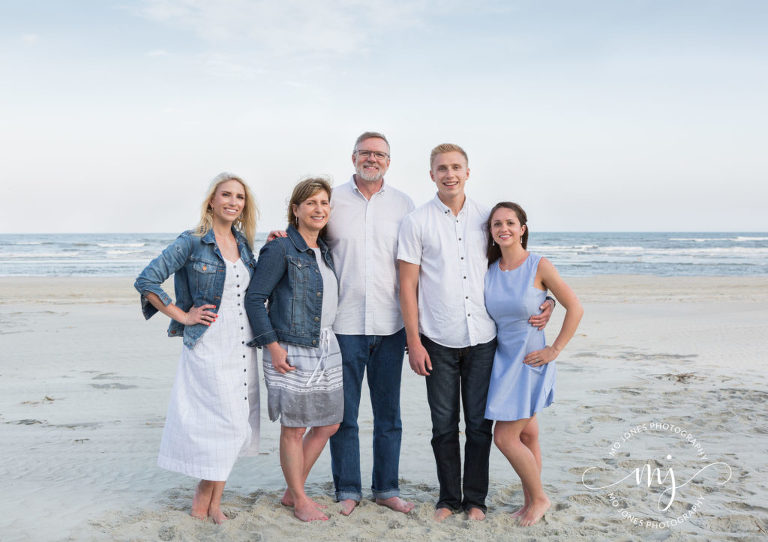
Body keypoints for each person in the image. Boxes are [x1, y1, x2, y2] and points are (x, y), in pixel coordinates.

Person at [398, 144, 554, 521]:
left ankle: (476, 502)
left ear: (468, 172)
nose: (449, 173)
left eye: (456, 167)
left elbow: (516, 263)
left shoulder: (489, 219)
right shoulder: (416, 222)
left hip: (485, 341)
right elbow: (406, 286)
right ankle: (448, 499)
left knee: (480, 426)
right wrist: (413, 341)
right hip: (437, 339)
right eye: (441, 168)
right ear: (431, 174)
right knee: (443, 426)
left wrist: (544, 300)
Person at [134, 172, 260, 524]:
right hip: (209, 348)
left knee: (235, 427)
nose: (233, 202)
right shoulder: (192, 242)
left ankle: (210, 505)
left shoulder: (244, 244)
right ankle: (203, 504)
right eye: (226, 195)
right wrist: (182, 315)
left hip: (242, 346)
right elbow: (146, 279)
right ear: (211, 200)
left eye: (239, 197)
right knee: (227, 426)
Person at [325, 132, 416, 515]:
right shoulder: (331, 199)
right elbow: (306, 238)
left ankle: (386, 489)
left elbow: (415, 268)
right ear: (353, 157)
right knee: (343, 415)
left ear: (389, 161)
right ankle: (347, 489)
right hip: (342, 324)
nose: (372, 159)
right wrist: (281, 235)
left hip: (391, 325)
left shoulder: (404, 204)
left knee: (388, 415)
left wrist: (416, 327)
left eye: (380, 154)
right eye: (366, 153)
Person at [244, 177, 343, 522]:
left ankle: (292, 489)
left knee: (329, 423)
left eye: (324, 203)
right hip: (290, 345)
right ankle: (300, 499)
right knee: (295, 427)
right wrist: (272, 347)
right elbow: (255, 299)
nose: (319, 209)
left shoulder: (325, 249)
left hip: (327, 344)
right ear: (296, 209)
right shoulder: (280, 248)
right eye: (311, 203)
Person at [484, 202, 583, 526]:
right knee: (527, 437)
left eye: (510, 222)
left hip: (530, 361)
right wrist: (548, 302)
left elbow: (576, 307)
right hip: (503, 360)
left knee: (505, 438)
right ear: (491, 231)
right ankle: (530, 502)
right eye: (497, 224)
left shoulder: (539, 264)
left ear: (522, 228)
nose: (504, 229)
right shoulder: (491, 268)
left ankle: (539, 498)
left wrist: (555, 349)